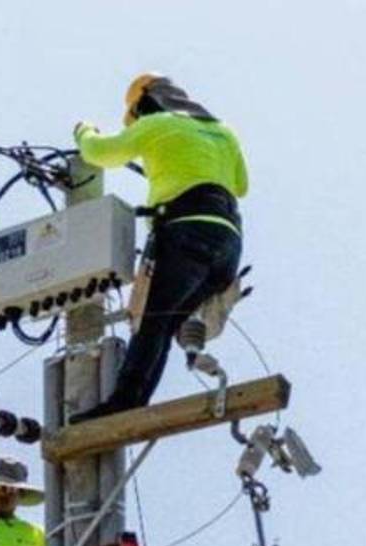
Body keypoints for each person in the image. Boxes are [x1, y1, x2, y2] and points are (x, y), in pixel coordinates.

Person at [69, 73, 248, 423]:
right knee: (165, 324)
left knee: (153, 323)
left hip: (185, 232)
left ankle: (124, 403)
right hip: (228, 244)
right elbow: (241, 186)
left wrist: (83, 131)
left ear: (144, 105)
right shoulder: (225, 132)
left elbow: (99, 153)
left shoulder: (156, 123)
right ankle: (132, 400)